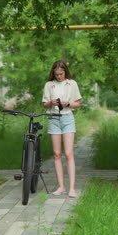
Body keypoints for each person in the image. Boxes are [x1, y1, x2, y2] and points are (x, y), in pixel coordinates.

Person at [42, 60, 82, 198]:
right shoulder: (49, 85)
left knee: (69, 153)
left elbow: (78, 104)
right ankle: (61, 187)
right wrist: (50, 102)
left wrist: (68, 103)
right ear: (53, 73)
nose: (58, 76)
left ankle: (72, 188)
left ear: (65, 72)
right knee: (57, 154)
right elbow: (44, 105)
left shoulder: (72, 84)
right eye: (56, 74)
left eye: (61, 74)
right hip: (53, 119)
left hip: (67, 118)